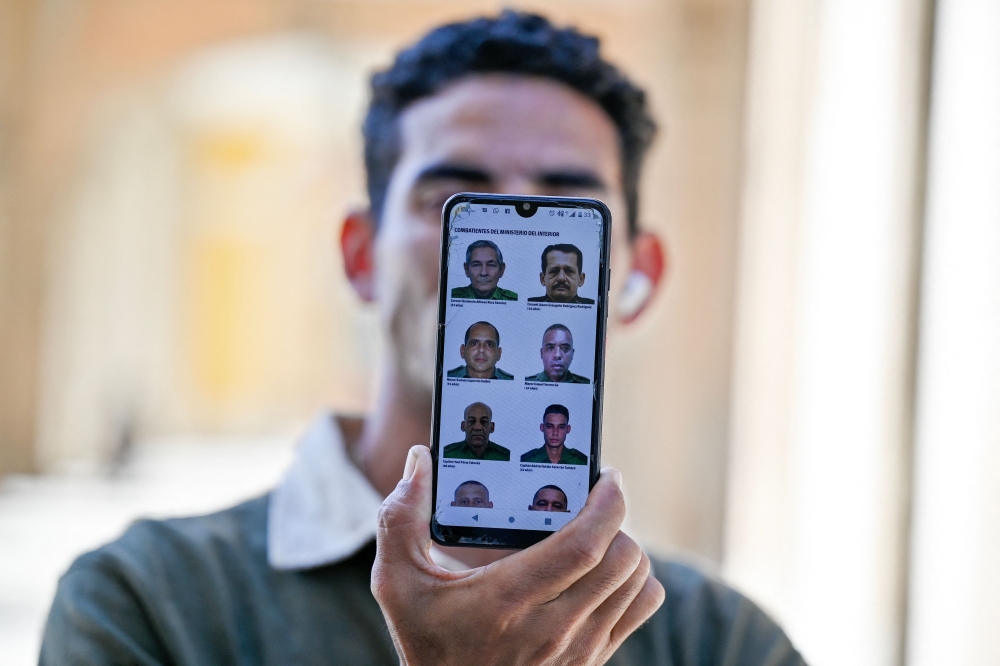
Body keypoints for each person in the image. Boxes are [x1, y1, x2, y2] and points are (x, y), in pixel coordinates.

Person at [40, 11, 804, 666]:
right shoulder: (147, 603)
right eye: (453, 197)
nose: (510, 247)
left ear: (634, 277)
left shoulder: (723, 642)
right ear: (361, 255)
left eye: (568, 206)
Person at [521, 403, 588, 465]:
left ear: (568, 429)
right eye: (550, 426)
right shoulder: (527, 460)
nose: (555, 433)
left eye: (561, 427)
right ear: (542, 427)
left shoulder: (581, 462)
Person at [450, 239, 518, 300]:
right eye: (476, 265)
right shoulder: (451, 296)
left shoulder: (514, 299)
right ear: (467, 269)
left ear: (501, 270)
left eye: (491, 265)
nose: (484, 273)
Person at [442, 402, 511, 461]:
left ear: (492, 427)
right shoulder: (447, 454)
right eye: (471, 421)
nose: (477, 427)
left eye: (484, 422)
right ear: (463, 426)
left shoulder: (505, 456)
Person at [528, 243, 595, 303]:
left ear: (581, 279)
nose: (561, 278)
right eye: (554, 271)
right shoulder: (529, 304)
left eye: (569, 271)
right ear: (543, 279)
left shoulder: (592, 306)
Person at [526, 323, 591, 383]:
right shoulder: (528, 382)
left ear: (572, 354)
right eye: (550, 348)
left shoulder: (586, 384)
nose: (557, 355)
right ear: (541, 353)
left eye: (565, 348)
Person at [447, 321, 512, 379]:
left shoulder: (510, 381)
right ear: (463, 351)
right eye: (474, 343)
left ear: (498, 353)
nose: (481, 349)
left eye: (490, 344)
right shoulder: (447, 377)